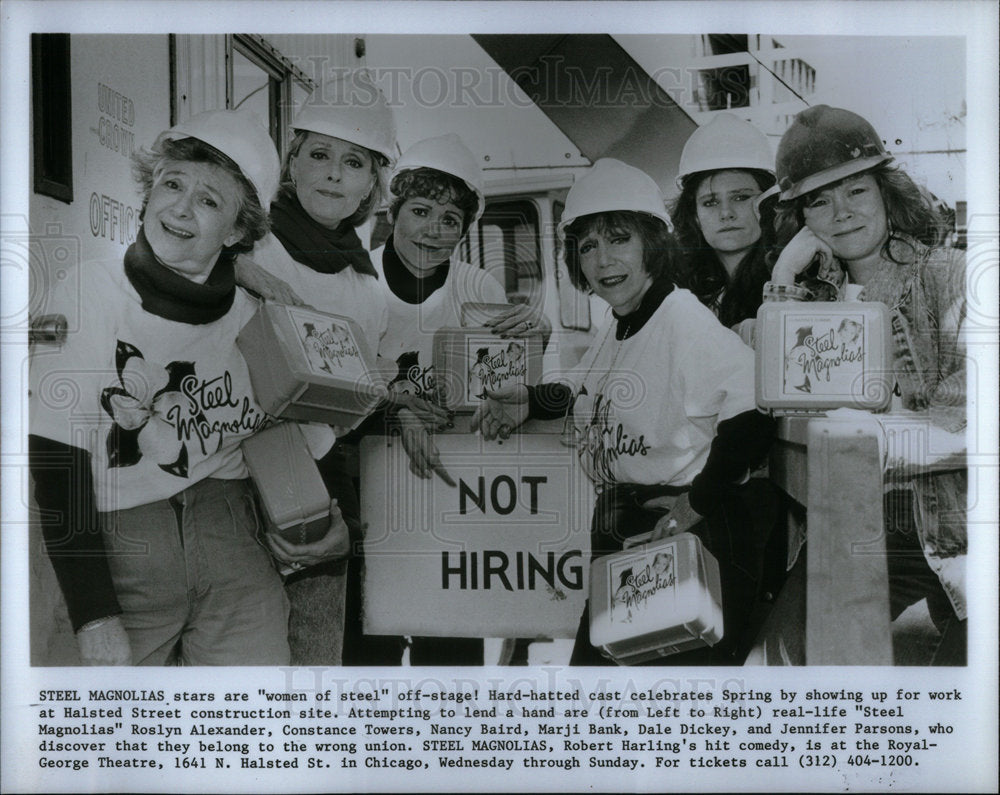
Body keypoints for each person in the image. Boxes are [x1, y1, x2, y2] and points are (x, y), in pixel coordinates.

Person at [28, 109, 349, 666]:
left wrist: (325, 527)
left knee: (251, 733)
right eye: (172, 184)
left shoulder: (260, 316)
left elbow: (307, 441)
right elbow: (55, 458)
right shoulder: (89, 291)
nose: (179, 207)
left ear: (238, 231)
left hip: (235, 546)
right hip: (116, 543)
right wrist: (94, 614)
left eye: (208, 200)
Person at [472, 158, 781, 665]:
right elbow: (584, 388)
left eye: (618, 239)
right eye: (588, 245)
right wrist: (531, 398)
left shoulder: (680, 318)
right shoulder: (622, 321)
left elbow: (753, 412)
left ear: (652, 246)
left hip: (681, 533)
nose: (602, 259)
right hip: (635, 531)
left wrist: (696, 504)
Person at [764, 105, 967, 664]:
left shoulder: (947, 275)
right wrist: (783, 279)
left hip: (958, 523)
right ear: (802, 218)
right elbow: (775, 398)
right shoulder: (812, 304)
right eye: (819, 201)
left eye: (855, 191)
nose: (840, 213)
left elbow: (977, 419)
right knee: (777, 658)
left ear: (886, 191)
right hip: (862, 527)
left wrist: (877, 436)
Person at [357, 133, 546, 665]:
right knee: (370, 651)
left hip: (448, 490)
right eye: (421, 211)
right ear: (393, 212)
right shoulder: (356, 279)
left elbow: (503, 387)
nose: (434, 231)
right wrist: (394, 410)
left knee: (450, 655)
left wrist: (537, 339)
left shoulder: (475, 283)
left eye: (450, 221)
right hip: (370, 489)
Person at [233, 71, 397, 665]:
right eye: (320, 155)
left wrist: (381, 392)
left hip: (315, 485)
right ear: (293, 162)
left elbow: (355, 404)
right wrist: (243, 272)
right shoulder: (246, 243)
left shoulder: (366, 286)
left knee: (314, 658)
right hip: (229, 478)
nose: (333, 173)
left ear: (371, 185)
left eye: (354, 163)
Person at [669, 113, 777, 342]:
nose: (726, 213)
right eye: (710, 202)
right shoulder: (677, 290)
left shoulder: (793, 274)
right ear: (695, 215)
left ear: (768, 204)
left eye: (741, 198)